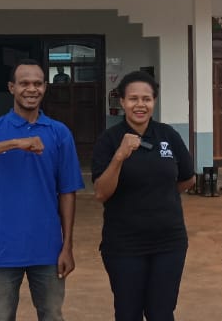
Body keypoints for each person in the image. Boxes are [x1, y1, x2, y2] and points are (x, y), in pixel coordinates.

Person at [0, 58, 84, 321]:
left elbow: (67, 192)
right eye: (24, 83)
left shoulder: (59, 133)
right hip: (4, 249)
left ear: (45, 88)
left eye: (37, 83)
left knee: (52, 315)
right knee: (1, 316)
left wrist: (67, 246)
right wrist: (14, 143)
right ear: (11, 87)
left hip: (48, 249)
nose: (31, 89)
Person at [92, 70, 196, 321]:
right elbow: (101, 193)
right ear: (122, 102)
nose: (140, 105)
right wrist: (120, 156)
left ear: (154, 101)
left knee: (161, 312)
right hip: (124, 244)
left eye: (146, 99)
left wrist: (160, 196)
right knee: (128, 313)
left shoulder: (168, 136)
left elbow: (187, 178)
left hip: (169, 242)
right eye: (133, 99)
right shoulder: (109, 140)